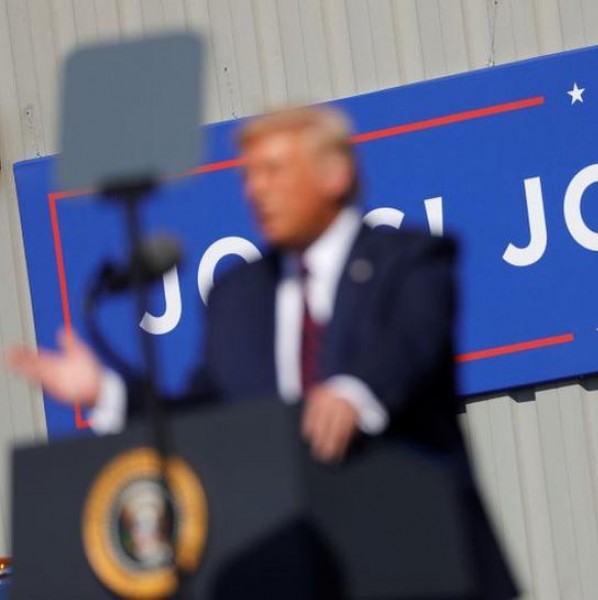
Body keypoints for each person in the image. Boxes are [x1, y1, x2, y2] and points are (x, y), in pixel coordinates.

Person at [6, 105, 518, 600]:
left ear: (335, 174)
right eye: (248, 177)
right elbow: (208, 416)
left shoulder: (409, 259)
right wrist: (106, 393)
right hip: (302, 573)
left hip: (424, 559)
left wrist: (353, 391)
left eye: (273, 171)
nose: (256, 190)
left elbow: (411, 343)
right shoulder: (238, 294)